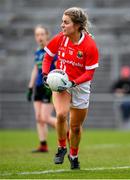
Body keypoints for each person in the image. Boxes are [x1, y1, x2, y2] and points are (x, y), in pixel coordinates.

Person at [42, 7, 99, 169]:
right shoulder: (60, 38)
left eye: (66, 22)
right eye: (62, 22)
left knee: (75, 127)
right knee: (61, 114)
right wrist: (46, 75)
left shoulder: (89, 45)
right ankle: (61, 147)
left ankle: (73, 155)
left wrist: (73, 83)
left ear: (77, 26)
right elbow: (48, 57)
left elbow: (89, 74)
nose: (62, 25)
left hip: (80, 86)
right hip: (62, 84)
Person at [27, 25, 57, 152]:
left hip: (48, 87)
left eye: (42, 34)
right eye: (37, 35)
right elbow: (36, 69)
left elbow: (57, 68)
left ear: (47, 35)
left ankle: (67, 130)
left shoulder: (52, 50)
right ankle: (43, 145)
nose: (39, 37)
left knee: (45, 117)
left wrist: (52, 85)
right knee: (38, 118)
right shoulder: (38, 52)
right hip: (38, 87)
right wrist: (30, 86)